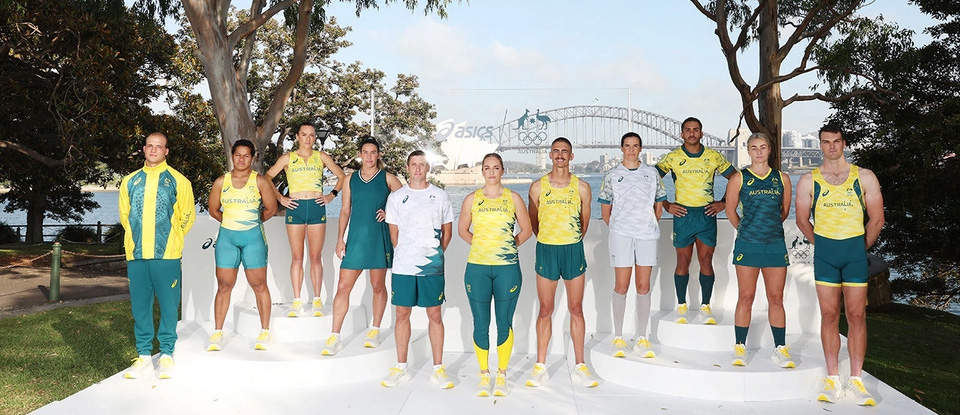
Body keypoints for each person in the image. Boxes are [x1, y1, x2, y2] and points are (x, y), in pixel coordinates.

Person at [796, 125, 884, 406]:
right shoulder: (809, 180)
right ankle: (833, 378)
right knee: (829, 315)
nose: (831, 146)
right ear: (820, 145)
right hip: (826, 255)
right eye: (826, 142)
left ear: (844, 143)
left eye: (836, 141)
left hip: (854, 253)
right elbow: (801, 220)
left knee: (857, 315)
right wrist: (821, 244)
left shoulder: (864, 177)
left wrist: (861, 247)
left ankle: (856, 380)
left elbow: (877, 219)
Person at [118, 132, 195, 380]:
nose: (153, 150)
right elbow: (125, 217)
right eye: (150, 146)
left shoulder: (178, 180)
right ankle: (143, 356)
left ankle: (167, 354)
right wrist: (135, 241)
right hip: (137, 255)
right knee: (140, 306)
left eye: (159, 146)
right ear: (143, 149)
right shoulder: (129, 181)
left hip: (167, 256)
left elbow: (188, 215)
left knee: (169, 306)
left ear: (166, 151)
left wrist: (172, 238)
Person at [458, 153, 533, 397]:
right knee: (481, 323)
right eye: (487, 168)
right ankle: (483, 375)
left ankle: (501, 375)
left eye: (496, 168)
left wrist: (507, 248)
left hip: (507, 269)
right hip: (477, 268)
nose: (492, 172)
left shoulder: (514, 198)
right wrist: (482, 246)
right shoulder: (472, 199)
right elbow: (462, 230)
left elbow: (527, 230)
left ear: (503, 171)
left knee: (504, 323)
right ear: (482, 171)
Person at [526, 137, 598, 389]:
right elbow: (533, 221)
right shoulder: (537, 187)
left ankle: (580, 365)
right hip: (547, 250)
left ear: (571, 156)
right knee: (545, 310)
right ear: (550, 155)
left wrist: (570, 240)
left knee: (576, 308)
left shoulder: (583, 187)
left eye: (564, 151)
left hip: (573, 250)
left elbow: (584, 221)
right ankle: (540, 366)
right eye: (555, 151)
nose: (559, 155)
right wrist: (548, 239)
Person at [380, 150, 455, 389]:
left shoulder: (440, 196)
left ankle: (438, 369)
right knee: (402, 316)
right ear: (408, 167)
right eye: (414, 165)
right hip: (403, 266)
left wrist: (434, 255)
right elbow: (394, 235)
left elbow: (447, 232)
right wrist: (407, 253)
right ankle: (401, 367)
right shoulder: (397, 197)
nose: (418, 169)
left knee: (435, 316)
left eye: (422, 165)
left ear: (428, 168)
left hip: (432, 267)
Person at [322, 138, 403, 355]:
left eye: (373, 152)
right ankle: (335, 335)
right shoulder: (350, 180)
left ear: (378, 155)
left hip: (378, 237)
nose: (369, 156)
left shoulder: (388, 178)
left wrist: (390, 213)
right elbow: (345, 210)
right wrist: (340, 239)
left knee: (377, 285)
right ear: (360, 154)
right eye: (365, 152)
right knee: (343, 286)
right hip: (356, 239)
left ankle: (375, 329)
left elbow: (407, 202)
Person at [656, 117, 736, 325]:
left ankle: (705, 306)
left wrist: (724, 203)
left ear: (701, 133)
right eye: (688, 130)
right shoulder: (672, 157)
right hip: (683, 215)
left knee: (706, 261)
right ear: (682, 134)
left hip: (706, 215)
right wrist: (666, 205)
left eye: (696, 130)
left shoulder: (713, 156)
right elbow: (650, 179)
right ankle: (681, 305)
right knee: (682, 261)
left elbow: (736, 179)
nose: (692, 133)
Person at [723, 133, 793, 368]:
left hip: (774, 244)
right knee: (746, 297)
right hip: (747, 245)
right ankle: (739, 347)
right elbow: (730, 210)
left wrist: (767, 229)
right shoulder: (739, 178)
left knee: (776, 298)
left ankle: (780, 348)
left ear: (770, 149)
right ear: (749, 150)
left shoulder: (782, 178)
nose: (759, 152)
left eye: (763, 147)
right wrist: (746, 230)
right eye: (754, 148)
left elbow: (783, 212)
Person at [265, 122, 345, 318]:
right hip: (296, 208)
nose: (308, 138)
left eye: (311, 135)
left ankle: (317, 300)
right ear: (298, 137)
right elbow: (266, 178)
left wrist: (331, 195)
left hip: (316, 208)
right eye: (304, 134)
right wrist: (280, 198)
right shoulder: (287, 158)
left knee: (316, 257)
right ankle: (297, 301)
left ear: (314, 138)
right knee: (298, 257)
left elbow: (342, 176)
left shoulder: (321, 156)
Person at [206, 140, 279, 351]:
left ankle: (265, 332)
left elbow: (271, 209)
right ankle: (218, 333)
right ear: (232, 155)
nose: (241, 159)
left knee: (259, 285)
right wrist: (232, 224)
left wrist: (250, 224)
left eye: (246, 156)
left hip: (253, 239)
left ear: (253, 157)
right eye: (238, 155)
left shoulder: (261, 182)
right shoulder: (221, 182)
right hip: (227, 239)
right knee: (224, 286)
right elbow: (213, 210)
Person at [598, 132, 666, 359]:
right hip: (621, 236)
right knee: (621, 285)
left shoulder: (652, 174)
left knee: (643, 287)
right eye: (627, 145)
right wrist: (620, 227)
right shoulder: (611, 175)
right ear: (621, 148)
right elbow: (606, 210)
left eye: (635, 146)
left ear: (640, 148)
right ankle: (618, 337)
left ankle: (642, 337)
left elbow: (659, 205)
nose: (631, 150)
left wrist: (646, 225)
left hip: (646, 235)